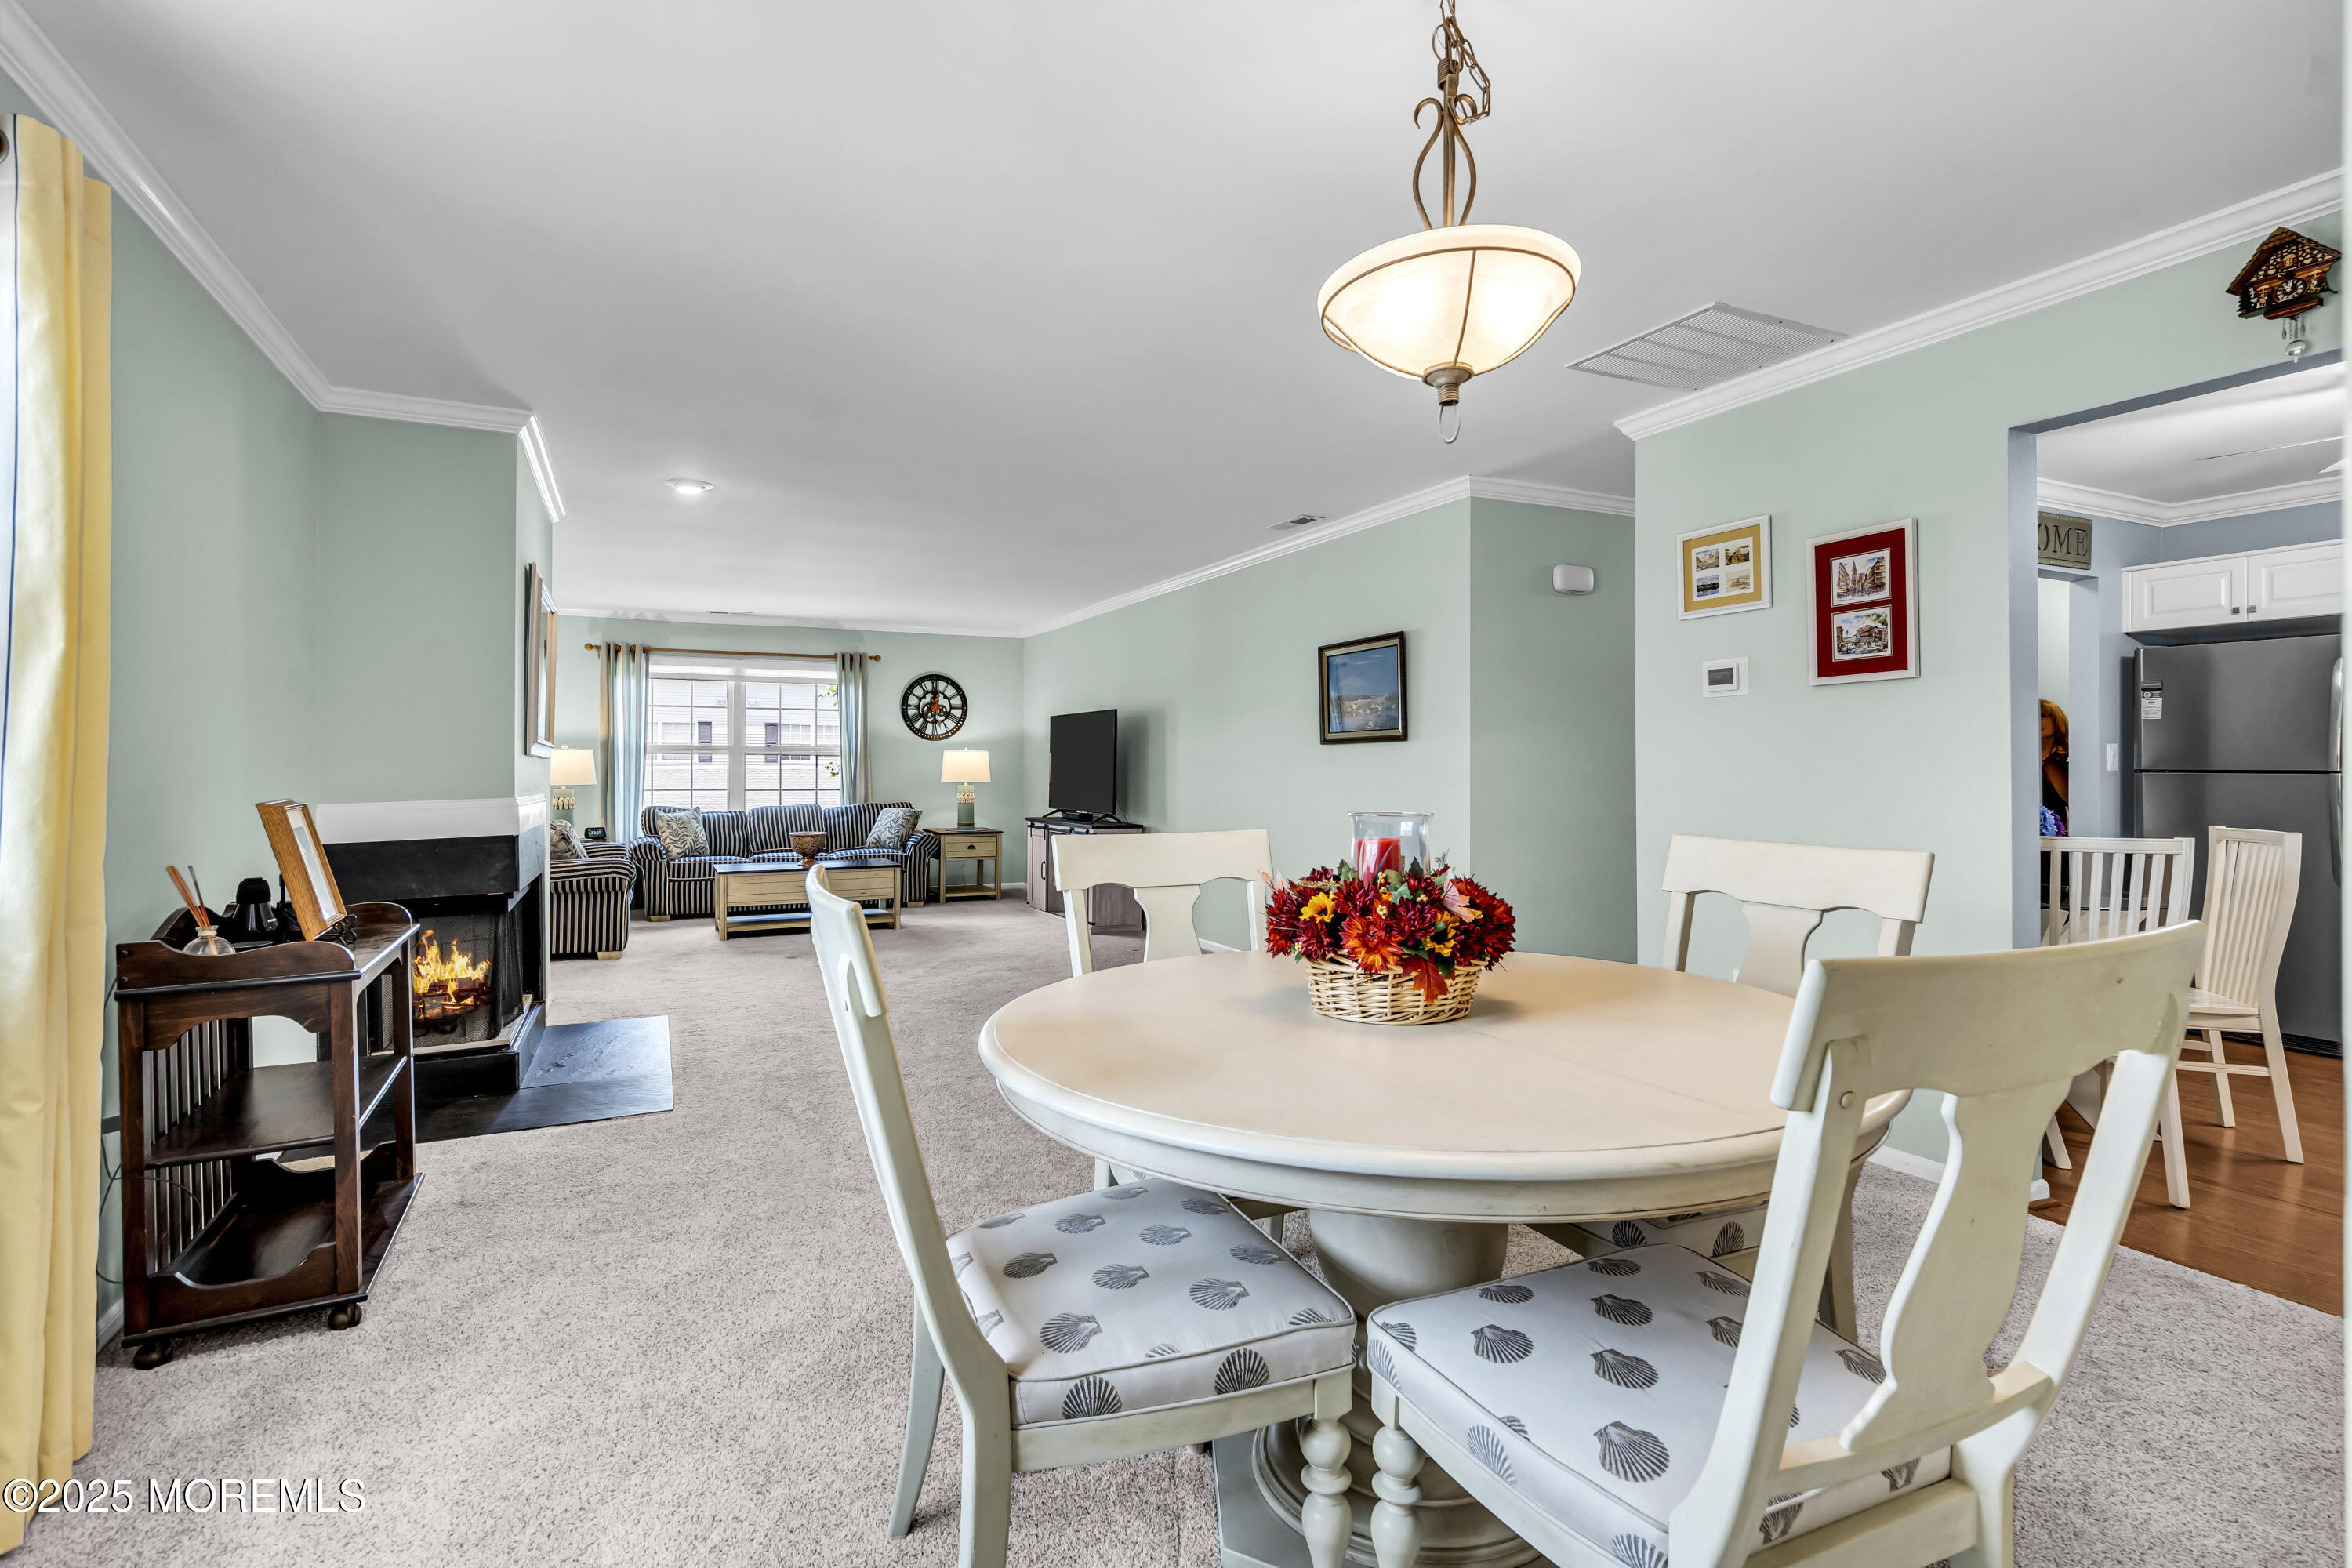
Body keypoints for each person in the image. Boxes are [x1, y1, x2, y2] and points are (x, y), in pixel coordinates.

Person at [2039, 699, 2070, 837]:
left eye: (2043, 716)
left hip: (2056, 842)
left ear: (2057, 721)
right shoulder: (2020, 760)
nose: (2036, 720)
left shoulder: (2066, 763)